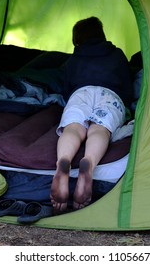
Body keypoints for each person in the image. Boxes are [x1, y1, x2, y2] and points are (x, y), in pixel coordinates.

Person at [50, 16, 133, 213]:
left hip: (81, 93)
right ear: (102, 35)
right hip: (110, 95)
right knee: (100, 130)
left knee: (73, 128)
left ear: (77, 40)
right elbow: (127, 87)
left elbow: (66, 88)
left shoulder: (75, 59)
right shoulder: (117, 55)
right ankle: (89, 162)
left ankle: (63, 160)